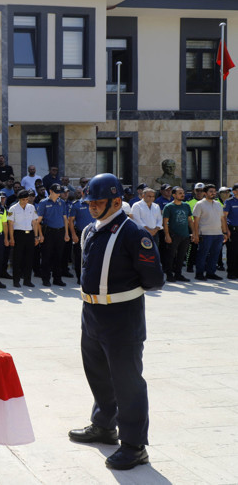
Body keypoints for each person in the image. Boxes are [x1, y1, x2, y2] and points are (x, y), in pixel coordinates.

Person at [68, 172, 164, 471]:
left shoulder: (134, 233)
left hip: (122, 317)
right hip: (92, 314)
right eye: (89, 202)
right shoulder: (90, 230)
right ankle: (104, 426)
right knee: (98, 374)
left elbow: (154, 279)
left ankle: (134, 446)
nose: (92, 206)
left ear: (116, 201)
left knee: (127, 382)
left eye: (98, 202)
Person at [192, 184, 229, 281]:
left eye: (214, 191)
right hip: (205, 234)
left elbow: (222, 219)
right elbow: (196, 221)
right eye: (211, 191)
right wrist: (195, 234)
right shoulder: (200, 204)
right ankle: (199, 274)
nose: (213, 193)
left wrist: (225, 232)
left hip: (218, 234)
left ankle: (210, 273)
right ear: (205, 193)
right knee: (202, 254)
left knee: (215, 255)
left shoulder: (218, 204)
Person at [36, 184, 69, 287]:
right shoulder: (43, 203)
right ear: (50, 191)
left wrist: (66, 233)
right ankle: (46, 279)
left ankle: (57, 278)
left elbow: (65, 218)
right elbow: (38, 221)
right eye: (56, 192)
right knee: (46, 256)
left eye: (59, 193)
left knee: (58, 256)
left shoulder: (62, 202)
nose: (58, 194)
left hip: (60, 231)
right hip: (48, 232)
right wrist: (40, 235)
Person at [162, 186, 193, 282]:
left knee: (181, 256)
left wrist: (194, 233)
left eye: (183, 193)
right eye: (180, 193)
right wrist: (167, 235)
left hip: (185, 235)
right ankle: (169, 274)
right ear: (174, 195)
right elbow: (165, 223)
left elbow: (190, 220)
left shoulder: (186, 205)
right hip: (174, 235)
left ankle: (178, 274)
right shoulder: (169, 207)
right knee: (171, 256)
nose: (183, 195)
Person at [8, 190, 39, 287]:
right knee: (17, 258)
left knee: (29, 258)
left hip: (29, 234)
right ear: (19, 199)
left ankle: (27, 280)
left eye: (26, 199)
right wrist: (11, 238)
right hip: (18, 234)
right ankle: (16, 281)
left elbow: (34, 222)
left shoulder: (31, 207)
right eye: (23, 199)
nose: (25, 201)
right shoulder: (13, 208)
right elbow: (10, 224)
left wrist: (36, 236)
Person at [68, 187, 94, 283]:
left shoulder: (95, 203)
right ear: (83, 193)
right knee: (79, 257)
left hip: (94, 233)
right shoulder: (76, 205)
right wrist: (73, 235)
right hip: (80, 234)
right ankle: (80, 278)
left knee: (93, 256)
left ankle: (91, 277)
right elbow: (70, 221)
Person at [225, 183, 238, 279]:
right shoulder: (229, 202)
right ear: (234, 191)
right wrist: (226, 230)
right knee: (232, 252)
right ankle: (231, 272)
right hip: (233, 230)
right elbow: (224, 217)